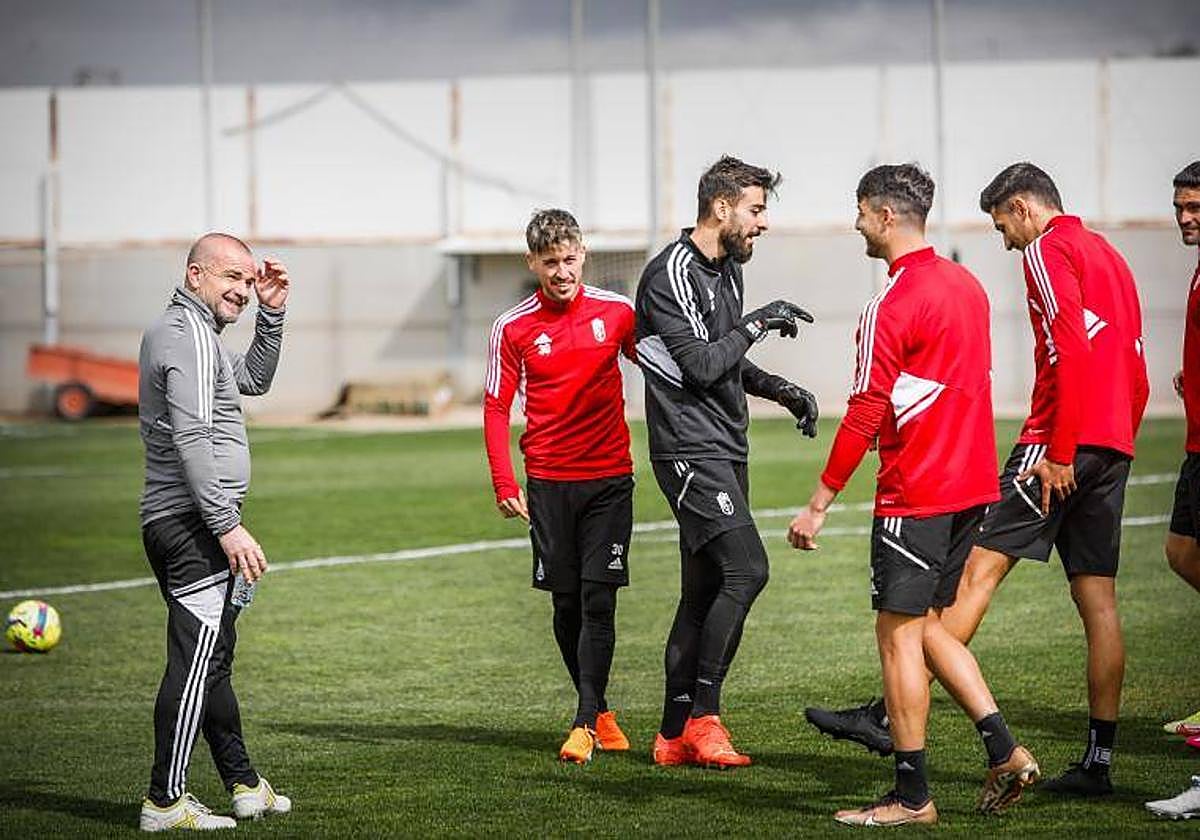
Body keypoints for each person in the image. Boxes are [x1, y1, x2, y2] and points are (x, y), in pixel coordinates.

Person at [805, 162, 1149, 799]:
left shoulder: (1047, 249)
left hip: (1057, 444)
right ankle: (1098, 761)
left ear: (1023, 208)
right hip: (1114, 440)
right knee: (1099, 602)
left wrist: (1061, 449)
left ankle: (892, 719)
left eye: (1001, 226)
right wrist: (1118, 436)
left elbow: (1068, 347)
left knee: (963, 583)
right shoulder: (1112, 255)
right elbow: (1134, 356)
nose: (1006, 241)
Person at [788, 164, 1038, 827]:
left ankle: (911, 797)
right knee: (927, 628)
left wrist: (819, 502)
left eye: (860, 212)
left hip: (917, 491)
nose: (856, 224)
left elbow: (866, 409)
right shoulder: (968, 286)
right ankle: (1005, 751)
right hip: (972, 487)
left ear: (885, 215)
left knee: (898, 639)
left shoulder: (891, 303)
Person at [635, 154, 819, 769]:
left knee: (703, 591)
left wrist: (782, 390)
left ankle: (671, 736)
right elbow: (700, 365)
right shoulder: (670, 274)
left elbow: (727, 359)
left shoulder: (726, 269)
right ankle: (705, 718)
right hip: (689, 449)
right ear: (721, 208)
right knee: (747, 570)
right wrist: (760, 322)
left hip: (724, 446)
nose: (762, 223)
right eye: (755, 210)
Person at [137, 233, 292, 831]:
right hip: (194, 524)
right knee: (193, 664)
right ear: (195, 274)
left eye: (249, 281)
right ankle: (164, 801)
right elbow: (192, 437)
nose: (243, 290)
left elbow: (251, 380)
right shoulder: (190, 334)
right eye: (232, 276)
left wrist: (271, 316)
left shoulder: (191, 333)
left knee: (213, 662)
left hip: (186, 521)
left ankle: (244, 784)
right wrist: (226, 525)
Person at [483, 209, 636, 764]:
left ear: (583, 254)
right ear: (533, 263)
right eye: (551, 262)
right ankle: (600, 711)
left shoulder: (618, 313)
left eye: (569, 259)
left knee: (599, 598)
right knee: (567, 603)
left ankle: (583, 722)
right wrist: (504, 480)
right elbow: (496, 405)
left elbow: (665, 368)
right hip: (548, 484)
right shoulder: (512, 327)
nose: (562, 271)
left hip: (610, 479)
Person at [1146, 160, 1200, 821]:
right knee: (1181, 552)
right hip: (1194, 447)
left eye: (1196, 207)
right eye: (1181, 207)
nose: (1185, 217)